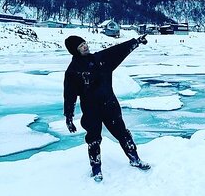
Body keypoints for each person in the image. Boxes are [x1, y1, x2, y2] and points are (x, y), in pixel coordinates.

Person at [63, 34, 150, 182]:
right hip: (91, 110)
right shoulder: (73, 71)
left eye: (84, 43)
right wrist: (69, 117)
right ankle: (96, 169)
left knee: (123, 133)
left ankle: (135, 159)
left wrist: (135, 42)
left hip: (110, 105)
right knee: (93, 139)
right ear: (74, 51)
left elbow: (118, 50)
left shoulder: (100, 59)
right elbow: (69, 95)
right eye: (80, 46)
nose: (85, 46)